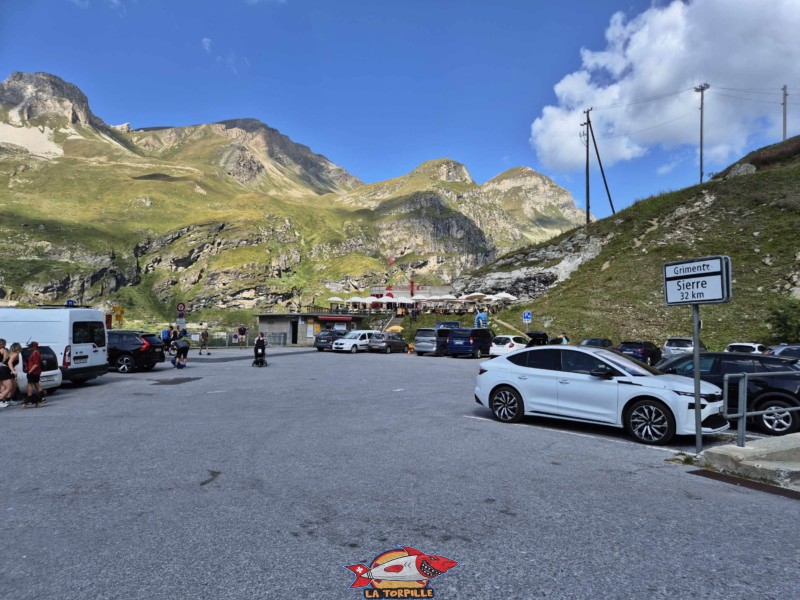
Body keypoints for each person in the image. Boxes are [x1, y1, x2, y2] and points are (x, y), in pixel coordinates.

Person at [23, 341, 45, 407]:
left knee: (30, 385)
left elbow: (36, 364)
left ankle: (30, 399)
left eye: (30, 347)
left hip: (33, 372)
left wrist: (30, 371)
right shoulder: (34, 353)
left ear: (34, 347)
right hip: (35, 372)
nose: (28, 348)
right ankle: (40, 398)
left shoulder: (36, 353)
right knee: (36, 385)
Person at [0, 339, 13, 406]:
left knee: (3, 386)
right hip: (3, 369)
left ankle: (3, 401)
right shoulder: (4, 350)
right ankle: (1, 400)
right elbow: (5, 360)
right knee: (9, 387)